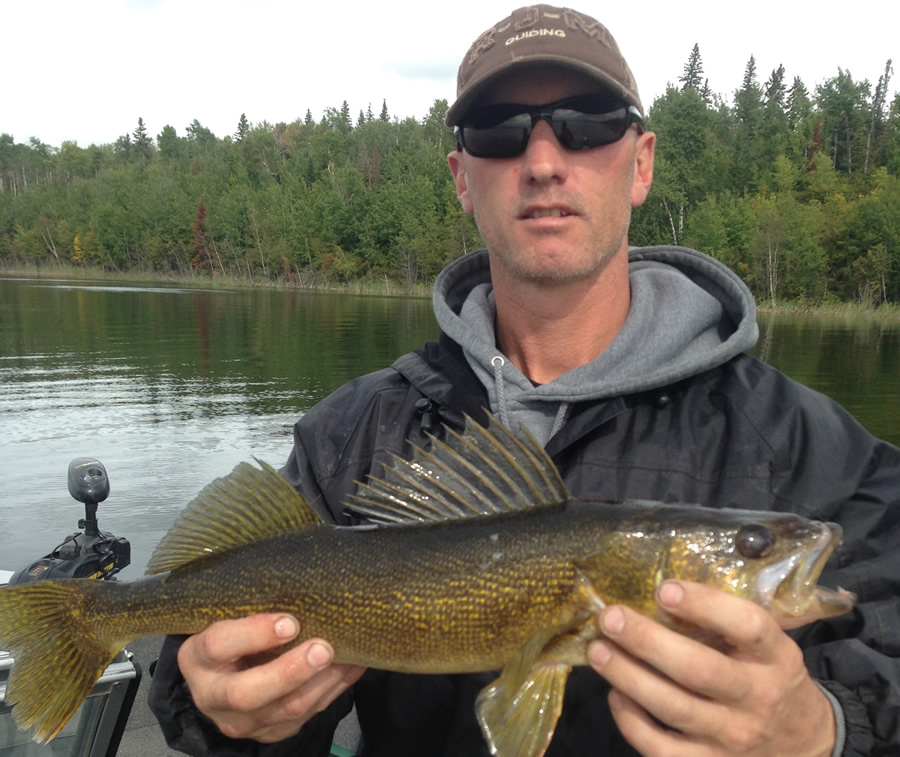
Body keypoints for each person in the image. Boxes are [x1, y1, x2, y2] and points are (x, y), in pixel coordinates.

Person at [149, 5, 900, 755]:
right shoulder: (354, 433)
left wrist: (823, 732)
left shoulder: (810, 448)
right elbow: (222, 676)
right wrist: (220, 707)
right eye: (499, 130)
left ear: (641, 163)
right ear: (461, 179)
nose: (543, 161)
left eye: (588, 123)